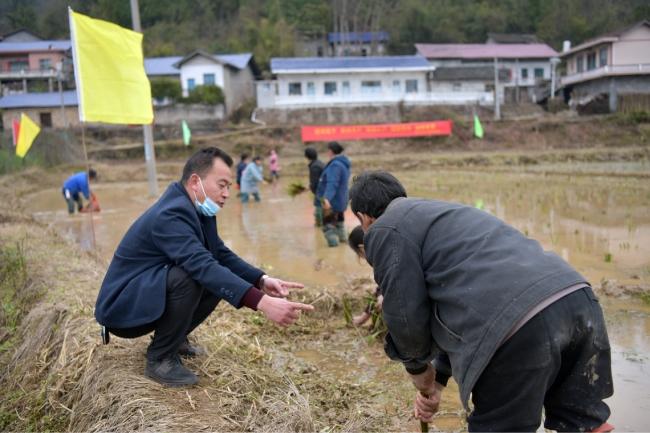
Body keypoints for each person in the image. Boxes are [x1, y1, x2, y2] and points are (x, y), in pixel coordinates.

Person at [349, 170, 614, 433]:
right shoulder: (443, 213)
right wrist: (438, 383)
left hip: (517, 324)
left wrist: (418, 369)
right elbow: (464, 302)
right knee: (580, 420)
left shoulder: (385, 228)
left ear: (364, 217)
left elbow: (405, 315)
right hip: (577, 299)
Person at [95, 147, 313, 387]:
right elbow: (202, 266)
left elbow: (219, 253)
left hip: (146, 292)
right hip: (123, 308)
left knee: (217, 277)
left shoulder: (198, 209)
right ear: (195, 181)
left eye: (229, 186)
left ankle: (174, 339)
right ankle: (160, 358)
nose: (227, 193)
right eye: (221, 185)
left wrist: (261, 280)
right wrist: (263, 303)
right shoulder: (171, 214)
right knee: (191, 276)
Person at [315, 141, 351, 247]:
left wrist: (326, 199)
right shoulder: (344, 163)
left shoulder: (335, 165)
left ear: (330, 151)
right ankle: (343, 240)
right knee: (339, 222)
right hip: (341, 199)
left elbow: (332, 183)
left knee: (328, 226)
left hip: (332, 201)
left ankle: (334, 246)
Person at [347, 225, 383, 326]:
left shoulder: (381, 260)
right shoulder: (385, 248)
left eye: (359, 254)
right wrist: (364, 317)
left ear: (362, 248)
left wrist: (383, 295)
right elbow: (382, 286)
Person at [304, 146, 325, 227]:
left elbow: (315, 183)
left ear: (307, 156)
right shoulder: (319, 163)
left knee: (318, 208)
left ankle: (319, 225)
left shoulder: (314, 167)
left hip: (320, 191)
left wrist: (312, 188)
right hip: (324, 189)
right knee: (322, 207)